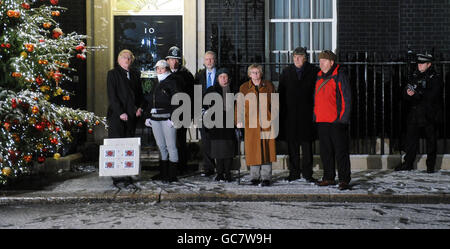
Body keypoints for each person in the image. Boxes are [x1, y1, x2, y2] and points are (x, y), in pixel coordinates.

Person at [395, 53, 443, 173]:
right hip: (415, 113)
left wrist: (418, 93)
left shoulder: (434, 77)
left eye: (422, 64)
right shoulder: (414, 75)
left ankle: (430, 166)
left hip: (429, 114)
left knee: (431, 141)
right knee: (411, 140)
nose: (419, 66)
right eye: (418, 63)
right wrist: (409, 93)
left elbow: (433, 95)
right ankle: (408, 163)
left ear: (429, 64)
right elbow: (405, 92)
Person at [278, 47, 319, 183]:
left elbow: (317, 93)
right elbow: (280, 94)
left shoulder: (314, 71)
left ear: (305, 58)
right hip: (290, 115)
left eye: (300, 57)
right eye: (295, 56)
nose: (297, 59)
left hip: (307, 115)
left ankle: (308, 173)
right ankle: (294, 172)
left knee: (307, 147)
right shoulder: (286, 72)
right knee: (292, 146)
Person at [313, 50, 352, 191]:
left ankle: (344, 180)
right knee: (326, 152)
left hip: (336, 122)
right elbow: (316, 99)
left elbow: (346, 98)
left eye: (323, 60)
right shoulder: (318, 77)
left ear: (331, 62)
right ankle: (328, 177)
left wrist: (343, 119)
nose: (321, 63)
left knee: (341, 152)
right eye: (320, 60)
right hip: (322, 120)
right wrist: (315, 115)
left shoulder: (340, 76)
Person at [236, 64, 277, 187]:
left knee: (266, 150)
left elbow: (275, 104)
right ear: (249, 74)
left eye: (258, 72)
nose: (255, 75)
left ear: (261, 73)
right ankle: (254, 176)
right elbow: (239, 106)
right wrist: (239, 120)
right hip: (251, 124)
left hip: (266, 123)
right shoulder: (244, 88)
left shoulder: (269, 86)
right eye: (253, 72)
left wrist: (272, 117)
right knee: (253, 149)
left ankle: (266, 177)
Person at [143, 60, 180, 182]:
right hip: (155, 119)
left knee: (171, 146)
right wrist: (147, 116)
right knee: (161, 146)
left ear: (167, 69)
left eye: (162, 68)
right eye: (157, 68)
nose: (159, 70)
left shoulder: (172, 82)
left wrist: (174, 117)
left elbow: (177, 100)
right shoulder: (155, 83)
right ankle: (163, 173)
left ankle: (172, 175)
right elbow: (149, 100)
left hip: (167, 118)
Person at [203, 68, 237, 182]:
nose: (223, 78)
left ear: (229, 78)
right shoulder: (211, 90)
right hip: (216, 123)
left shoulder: (233, 90)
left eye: (225, 76)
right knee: (218, 149)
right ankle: (219, 173)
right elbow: (205, 106)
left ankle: (228, 173)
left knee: (229, 148)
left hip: (229, 122)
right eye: (221, 76)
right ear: (217, 78)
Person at [166, 46, 195, 176]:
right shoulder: (163, 73)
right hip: (166, 114)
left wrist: (191, 113)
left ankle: (181, 166)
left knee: (180, 141)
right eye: (171, 59)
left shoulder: (187, 75)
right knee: (168, 141)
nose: (174, 62)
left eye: (176, 59)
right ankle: (168, 167)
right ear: (167, 60)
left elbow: (193, 94)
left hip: (182, 113)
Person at [106, 49, 144, 138]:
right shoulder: (112, 74)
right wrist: (121, 113)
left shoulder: (136, 74)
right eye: (124, 57)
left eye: (129, 58)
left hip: (132, 116)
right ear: (119, 60)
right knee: (117, 144)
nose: (127, 60)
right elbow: (112, 96)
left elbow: (139, 94)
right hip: (117, 115)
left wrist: (140, 108)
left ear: (132, 60)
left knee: (129, 145)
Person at [194, 51, 218, 177]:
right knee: (206, 140)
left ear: (215, 60)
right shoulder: (199, 76)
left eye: (211, 59)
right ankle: (209, 167)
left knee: (217, 139)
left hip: (218, 111)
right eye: (207, 59)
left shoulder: (221, 74)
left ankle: (220, 167)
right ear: (204, 61)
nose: (209, 61)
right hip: (202, 112)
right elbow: (195, 93)